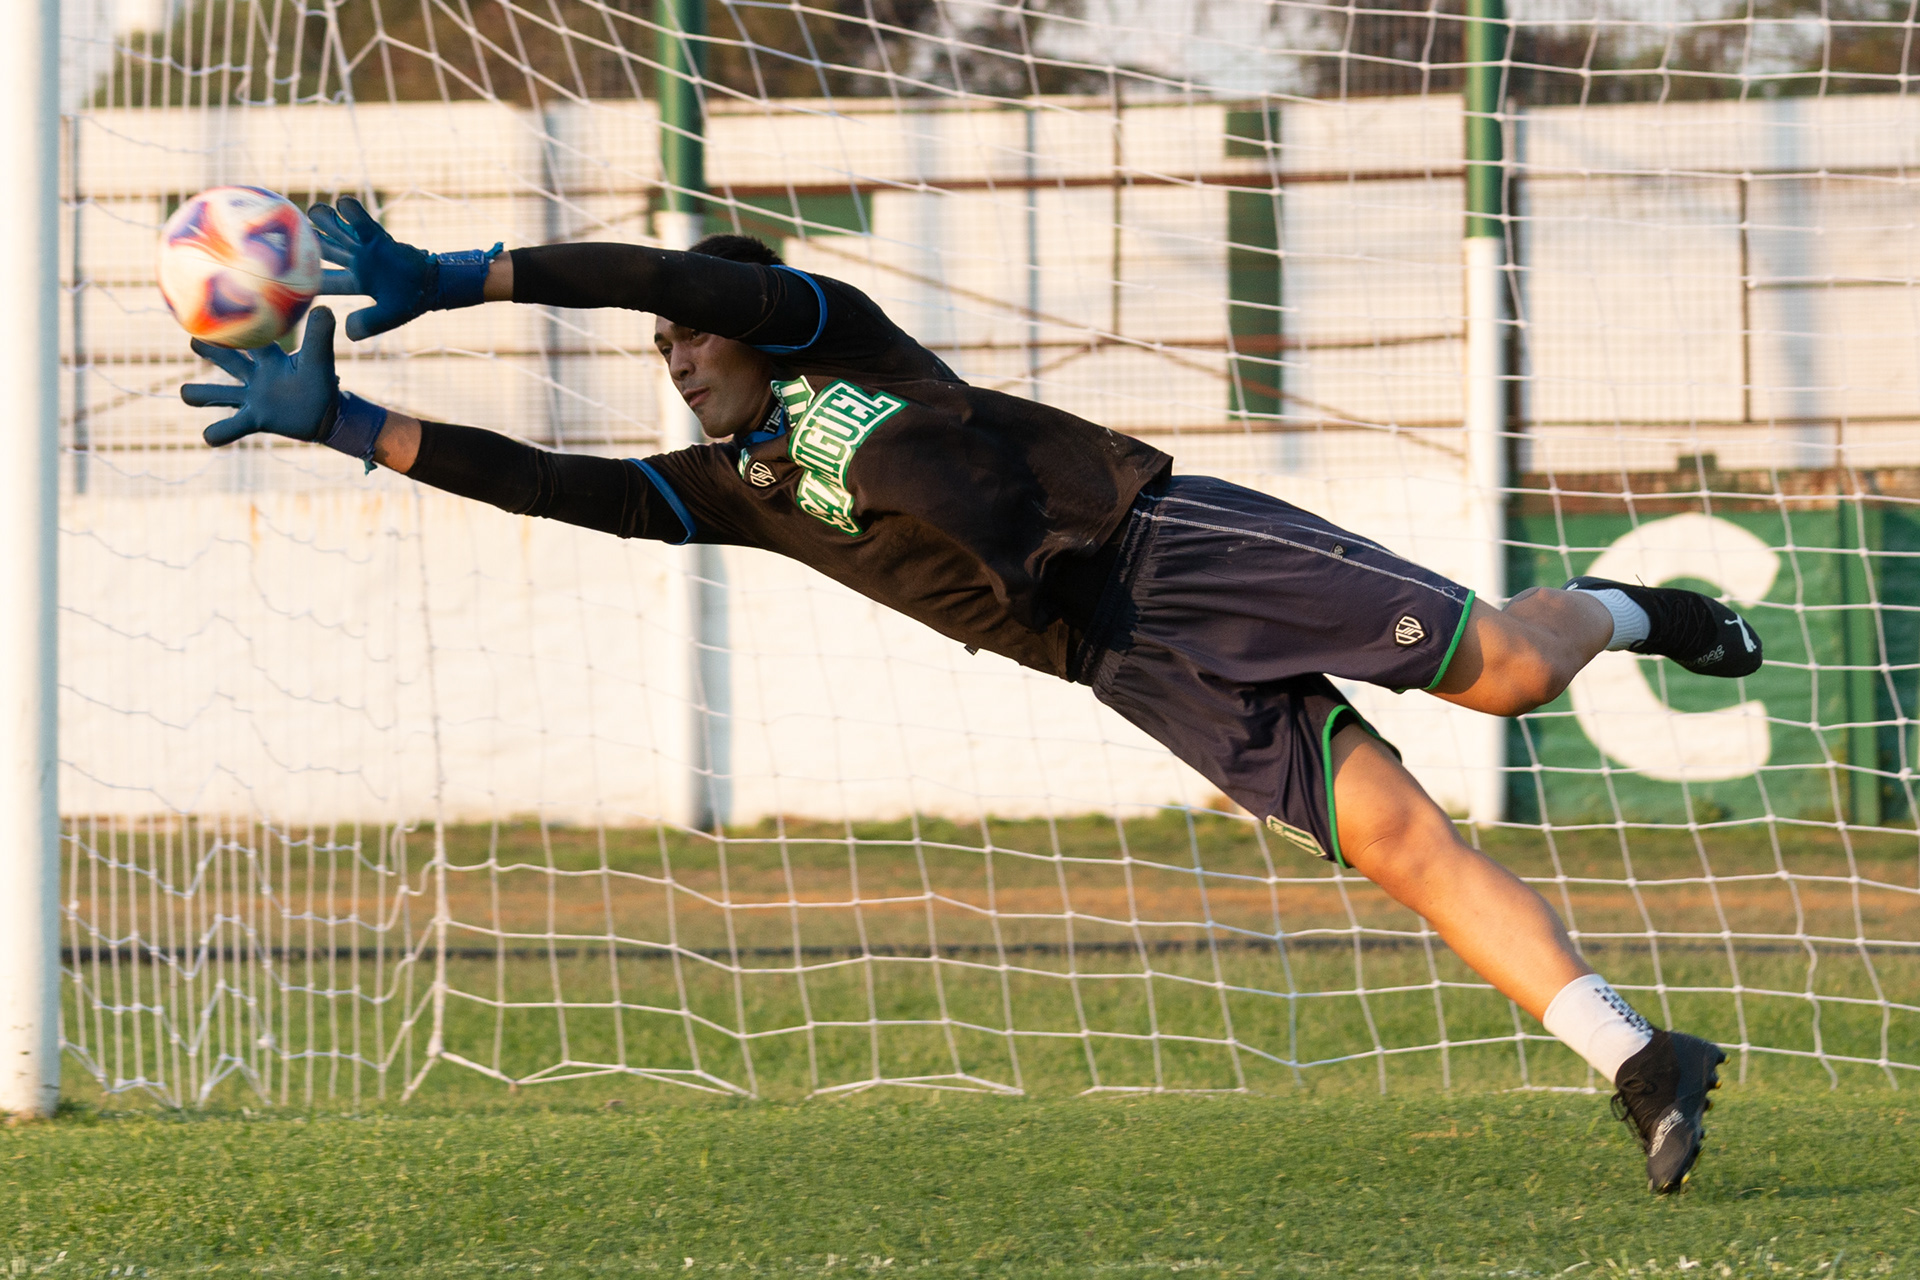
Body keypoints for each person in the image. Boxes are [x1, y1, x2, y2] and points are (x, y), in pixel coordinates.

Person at [181, 199, 1752, 1193]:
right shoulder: (732, 485)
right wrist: (354, 424)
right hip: (1113, 660)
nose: (676, 349)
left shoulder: (827, 337)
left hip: (1166, 542)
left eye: (690, 326)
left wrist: (467, 275)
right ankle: (1635, 1056)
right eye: (663, 338)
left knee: (1508, 677)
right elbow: (555, 490)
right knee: (1400, 844)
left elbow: (660, 261)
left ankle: (1646, 605)